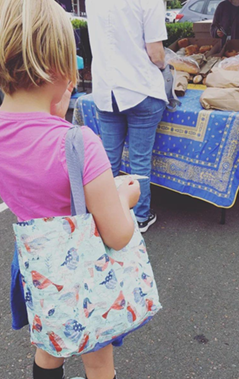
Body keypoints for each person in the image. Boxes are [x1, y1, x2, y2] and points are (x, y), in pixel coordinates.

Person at [0, 0, 149, 379]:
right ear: (58, 65)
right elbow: (119, 234)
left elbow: (33, 176)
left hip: (34, 266)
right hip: (82, 271)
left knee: (47, 344)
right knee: (97, 358)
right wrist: (126, 194)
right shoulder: (80, 143)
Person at [86, 0, 168, 234]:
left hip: (106, 90)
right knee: (139, 161)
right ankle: (140, 217)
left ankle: (105, 216)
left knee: (107, 161)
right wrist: (164, 66)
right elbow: (156, 53)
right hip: (140, 87)